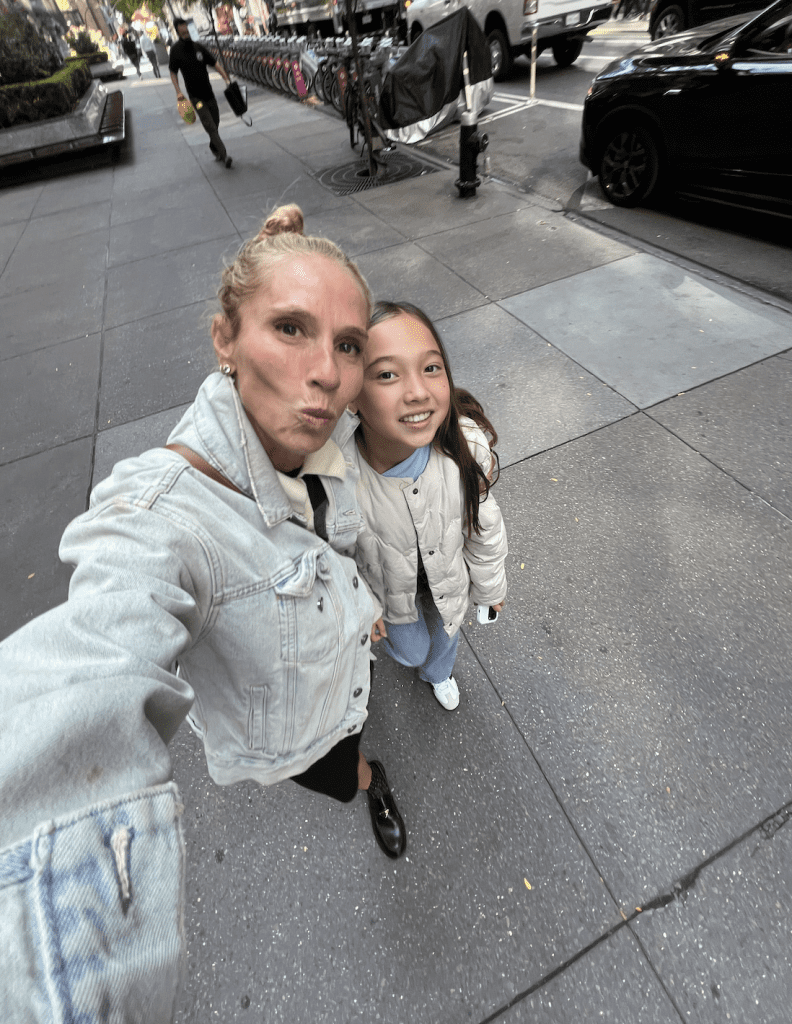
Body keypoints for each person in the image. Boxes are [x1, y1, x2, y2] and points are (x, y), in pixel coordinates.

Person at [0, 206, 406, 1020]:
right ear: (224, 341)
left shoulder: (326, 446)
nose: (326, 373)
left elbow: (340, 542)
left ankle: (367, 767)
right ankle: (370, 782)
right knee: (341, 775)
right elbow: (93, 659)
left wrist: (363, 606)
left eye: (348, 344)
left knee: (356, 735)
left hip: (351, 667)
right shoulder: (160, 515)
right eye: (289, 329)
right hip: (299, 734)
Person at [350, 302, 508, 712]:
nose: (418, 391)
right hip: (388, 590)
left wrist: (490, 588)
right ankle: (417, 659)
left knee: (447, 630)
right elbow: (334, 558)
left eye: (431, 368)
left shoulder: (464, 449)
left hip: (448, 575)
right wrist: (364, 609)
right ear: (350, 396)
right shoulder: (338, 478)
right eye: (387, 374)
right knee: (411, 649)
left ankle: (439, 673)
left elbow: (483, 526)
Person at [169, 17, 233, 168]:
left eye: (186, 30)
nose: (186, 33)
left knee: (215, 122)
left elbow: (215, 64)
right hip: (195, 97)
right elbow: (173, 72)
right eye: (182, 32)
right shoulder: (175, 50)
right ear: (178, 32)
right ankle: (224, 155)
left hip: (209, 93)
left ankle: (213, 145)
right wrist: (178, 91)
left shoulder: (198, 47)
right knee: (209, 125)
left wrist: (226, 79)